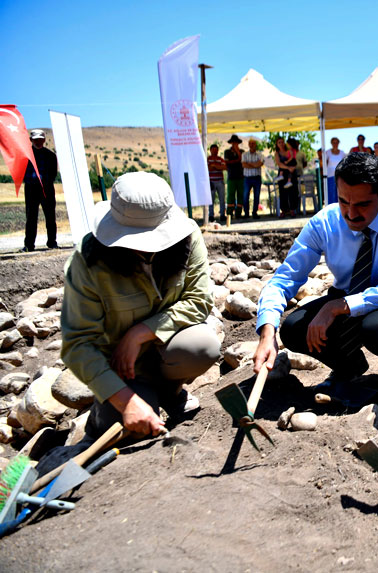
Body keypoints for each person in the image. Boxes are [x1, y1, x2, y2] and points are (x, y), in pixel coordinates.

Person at [253, 152, 378, 403]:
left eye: (362, 205)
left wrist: (336, 307)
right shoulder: (324, 222)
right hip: (347, 293)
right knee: (292, 329)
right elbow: (284, 279)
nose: (351, 214)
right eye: (344, 201)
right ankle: (349, 365)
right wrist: (267, 332)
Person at [61, 172, 220, 437]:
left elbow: (199, 300)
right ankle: (104, 412)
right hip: (122, 368)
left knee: (202, 347)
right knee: (125, 428)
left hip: (166, 350)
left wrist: (140, 333)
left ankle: (172, 393)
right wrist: (126, 401)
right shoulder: (87, 262)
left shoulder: (188, 239)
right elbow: (78, 344)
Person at [22, 129, 58, 252]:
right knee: (31, 217)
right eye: (35, 140)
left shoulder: (51, 155)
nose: (38, 142)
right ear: (30, 140)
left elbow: (53, 174)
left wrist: (46, 183)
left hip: (46, 188)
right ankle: (29, 245)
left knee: (50, 216)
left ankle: (52, 243)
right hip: (31, 188)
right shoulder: (25, 155)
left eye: (40, 140)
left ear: (44, 140)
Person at [273, 137, 297, 218]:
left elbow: (294, 160)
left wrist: (292, 168)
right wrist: (288, 168)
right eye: (279, 142)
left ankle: (292, 210)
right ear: (277, 144)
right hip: (282, 174)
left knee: (292, 192)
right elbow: (279, 164)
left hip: (290, 174)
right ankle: (283, 211)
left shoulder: (289, 151)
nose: (281, 144)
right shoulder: (277, 153)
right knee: (282, 192)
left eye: (282, 142)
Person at [242, 138, 265, 219]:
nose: (252, 145)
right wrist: (255, 164)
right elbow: (244, 165)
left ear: (255, 145)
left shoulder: (260, 154)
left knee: (256, 196)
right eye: (250, 143)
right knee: (245, 196)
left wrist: (249, 164)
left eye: (253, 143)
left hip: (257, 178)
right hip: (247, 178)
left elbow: (259, 164)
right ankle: (246, 213)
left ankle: (254, 212)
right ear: (248, 145)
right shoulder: (244, 154)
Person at [224, 135, 244, 219]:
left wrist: (238, 153)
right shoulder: (227, 152)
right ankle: (229, 213)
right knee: (230, 195)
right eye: (233, 142)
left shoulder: (242, 151)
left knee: (240, 195)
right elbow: (228, 162)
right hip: (231, 176)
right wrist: (237, 160)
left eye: (236, 142)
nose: (235, 144)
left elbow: (243, 161)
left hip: (241, 176)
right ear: (231, 143)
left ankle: (238, 213)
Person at [207, 144, 227, 223]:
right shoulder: (208, 159)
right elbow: (208, 168)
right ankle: (211, 215)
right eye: (213, 149)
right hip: (211, 181)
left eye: (216, 149)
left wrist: (214, 165)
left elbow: (225, 167)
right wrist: (218, 166)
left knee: (222, 198)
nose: (215, 151)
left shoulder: (220, 159)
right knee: (211, 199)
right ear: (210, 150)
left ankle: (222, 214)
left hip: (220, 181)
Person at [324, 137, 347, 205]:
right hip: (330, 176)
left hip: (339, 176)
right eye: (334, 142)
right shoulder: (327, 152)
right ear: (331, 143)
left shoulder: (342, 153)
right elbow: (324, 163)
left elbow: (344, 163)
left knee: (339, 194)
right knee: (331, 193)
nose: (335, 144)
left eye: (336, 142)